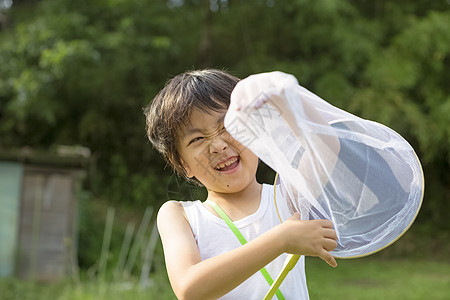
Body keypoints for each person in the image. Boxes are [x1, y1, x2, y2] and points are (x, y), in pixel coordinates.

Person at [144, 69, 338, 300]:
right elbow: (189, 289)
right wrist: (281, 240)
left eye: (227, 126)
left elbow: (327, 147)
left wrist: (288, 96)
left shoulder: (287, 197)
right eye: (197, 139)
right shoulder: (180, 215)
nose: (218, 145)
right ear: (182, 163)